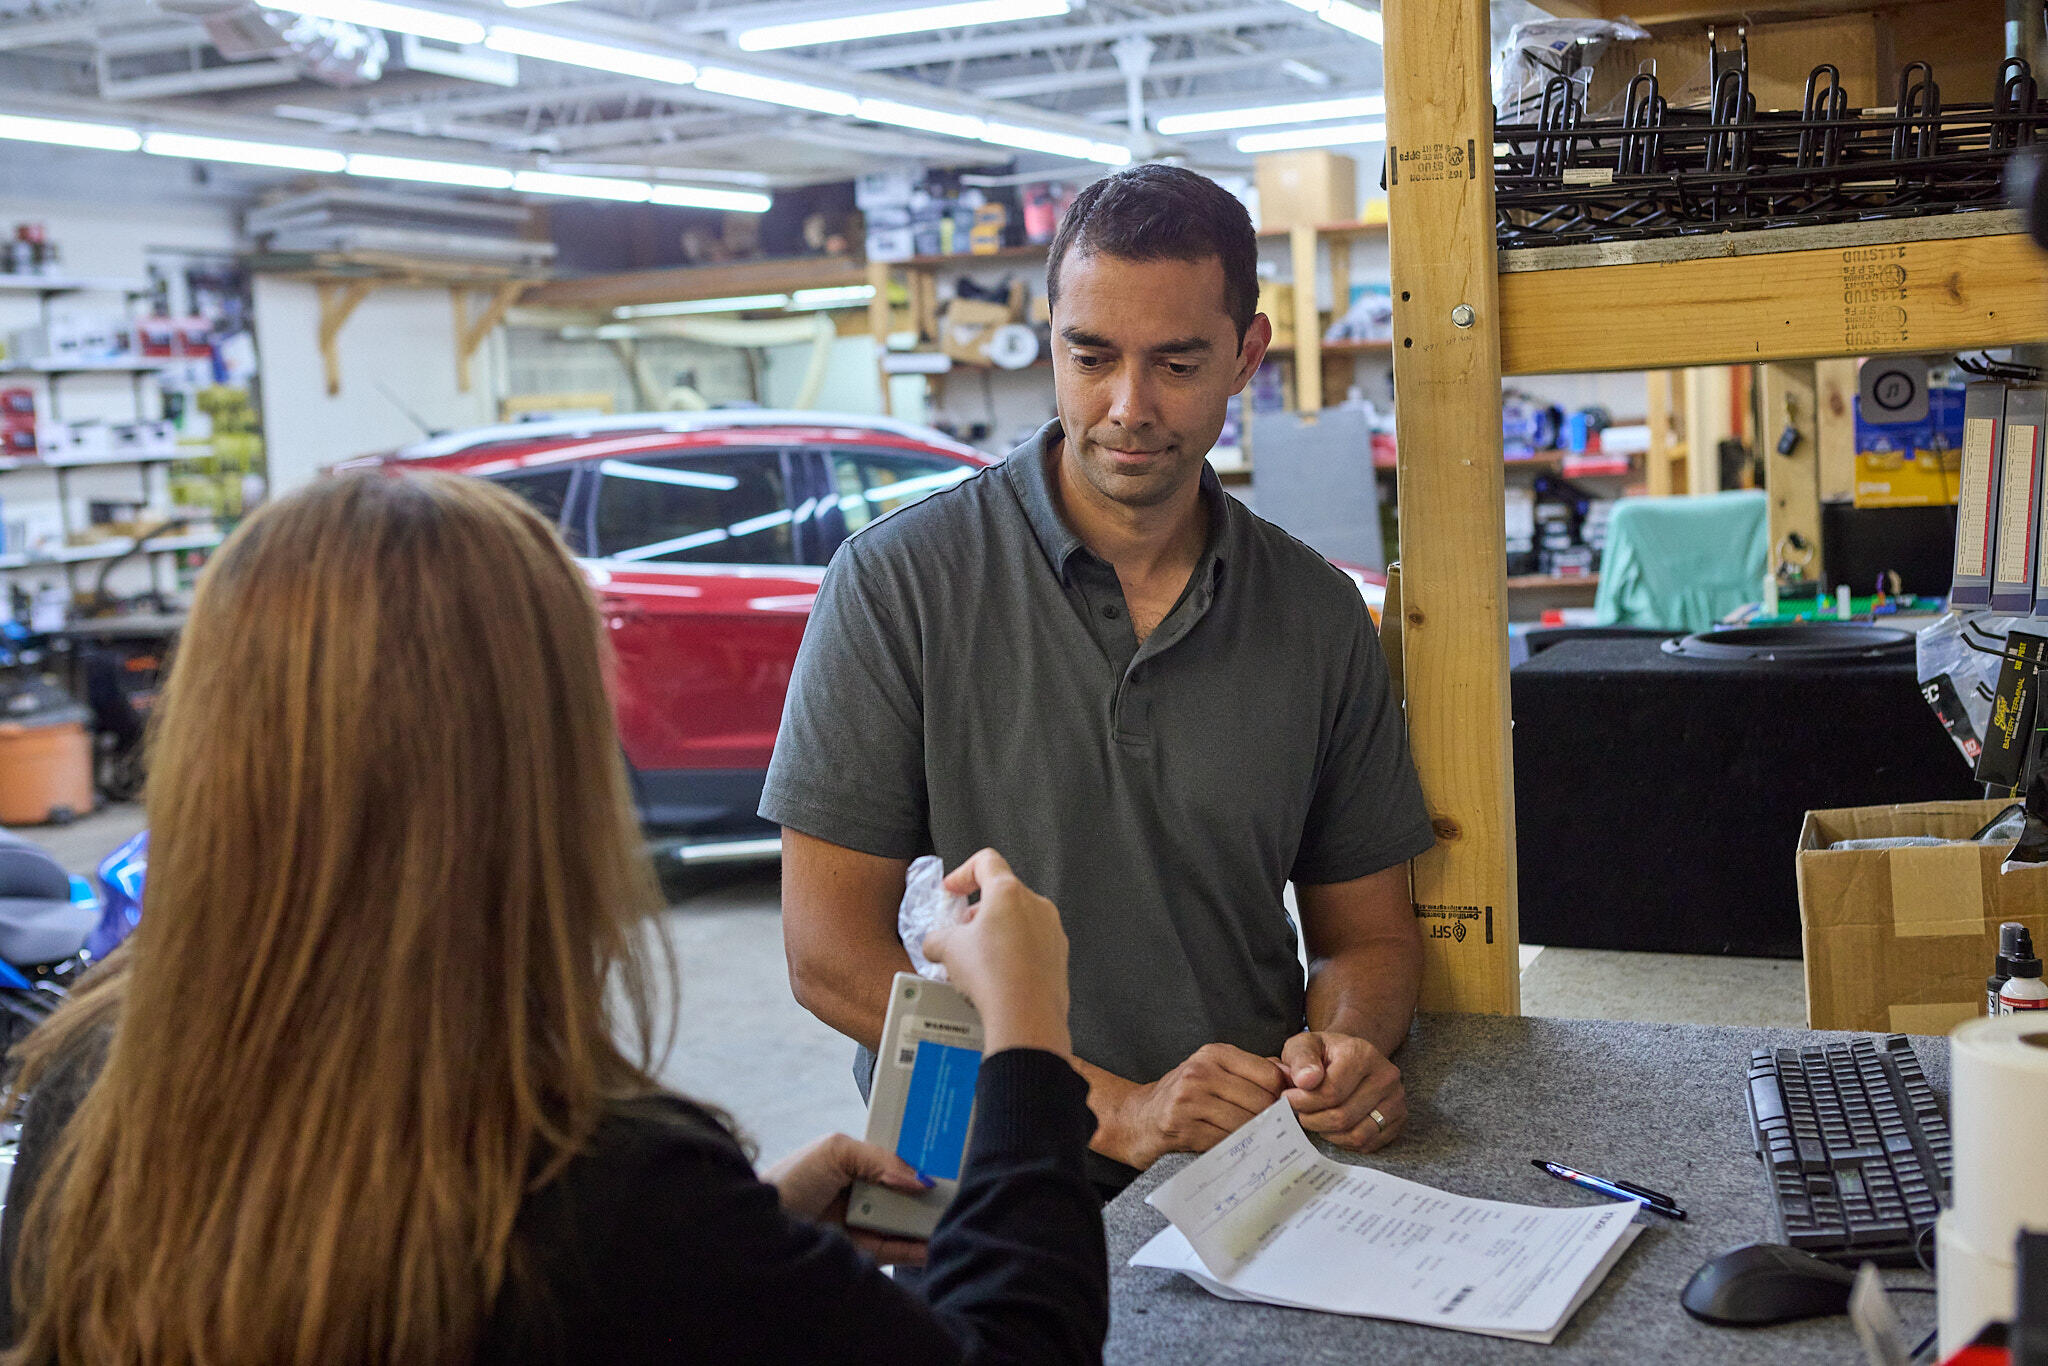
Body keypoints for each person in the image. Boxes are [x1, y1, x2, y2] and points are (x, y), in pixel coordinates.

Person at [0, 472, 1106, 1365]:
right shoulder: (607, 1190)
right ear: (534, 772)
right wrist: (1024, 1036)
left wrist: (747, 1249)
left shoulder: (95, 1084)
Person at [765, 163, 1436, 1196]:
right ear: (1050, 344)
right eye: (1091, 357)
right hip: (973, 1174)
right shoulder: (897, 584)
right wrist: (1111, 1108)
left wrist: (1341, 1052)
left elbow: (1369, 937)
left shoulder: (1315, 612)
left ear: (1246, 355)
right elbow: (829, 957)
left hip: (1238, 1164)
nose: (1129, 407)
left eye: (1176, 363)